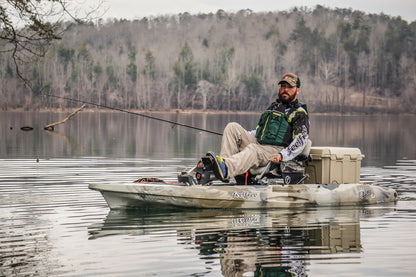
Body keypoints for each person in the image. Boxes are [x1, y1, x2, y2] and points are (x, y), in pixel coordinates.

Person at [207, 73, 310, 182]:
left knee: (254, 149)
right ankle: (223, 166)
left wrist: (281, 155)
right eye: (283, 86)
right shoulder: (273, 107)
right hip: (261, 145)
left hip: (277, 150)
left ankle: (227, 169)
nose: (285, 90)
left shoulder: (299, 113)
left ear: (297, 90)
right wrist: (243, 136)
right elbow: (259, 132)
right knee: (232, 127)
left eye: (290, 87)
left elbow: (301, 140)